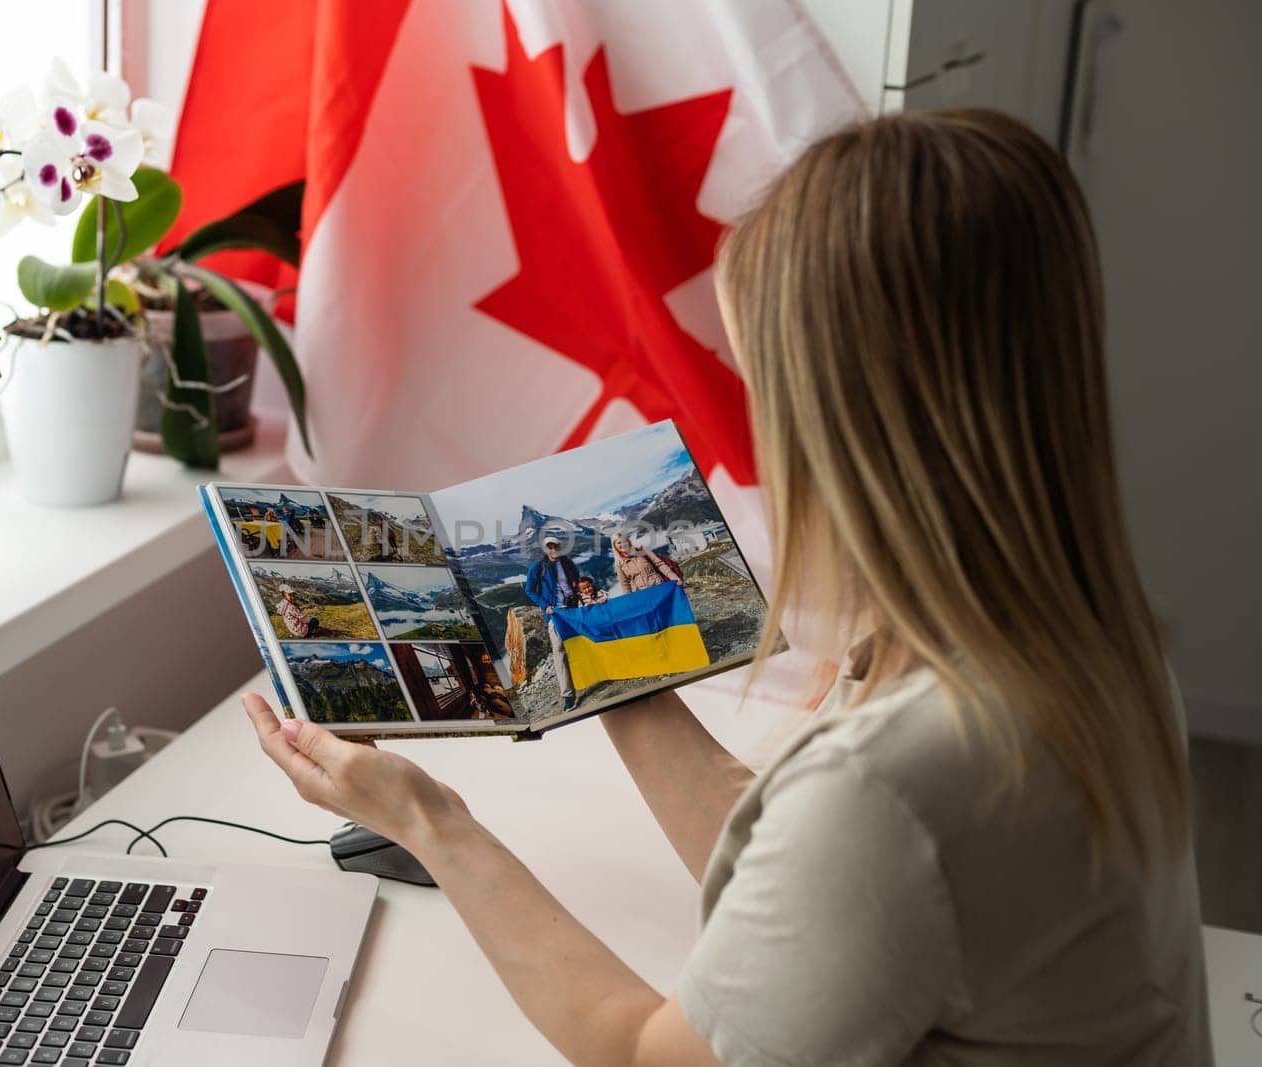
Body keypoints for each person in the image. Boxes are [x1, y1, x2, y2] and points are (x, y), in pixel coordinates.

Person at [241, 110, 1210, 1065]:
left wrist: (428, 821)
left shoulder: (897, 779)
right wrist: (611, 667)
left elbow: (647, 1053)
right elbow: (822, 894)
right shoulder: (1090, 635)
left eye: (759, 391)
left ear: (839, 425)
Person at [524, 533, 581, 713]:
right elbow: (529, 590)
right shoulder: (538, 567)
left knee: (582, 644)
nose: (553, 549)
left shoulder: (567, 563)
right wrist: (545, 605)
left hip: (573, 610)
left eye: (555, 546)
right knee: (559, 651)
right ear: (545, 548)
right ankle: (568, 696)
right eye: (550, 546)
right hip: (555, 613)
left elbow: (577, 581)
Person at [613, 533, 683, 595]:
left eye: (624, 541)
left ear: (628, 542)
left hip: (659, 588)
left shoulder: (643, 550)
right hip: (641, 596)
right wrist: (628, 599)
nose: (622, 544)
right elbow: (625, 584)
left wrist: (673, 577)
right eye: (619, 543)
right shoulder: (619, 564)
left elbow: (660, 564)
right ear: (615, 546)